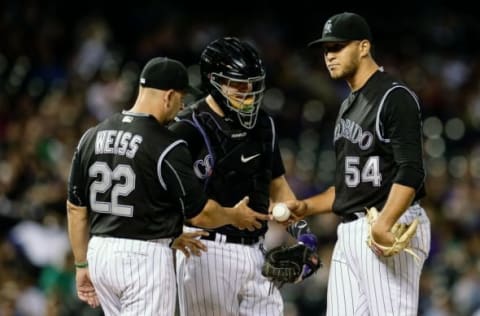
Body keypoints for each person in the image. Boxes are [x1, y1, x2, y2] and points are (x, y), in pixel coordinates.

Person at [66, 56, 270, 316]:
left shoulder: (92, 135)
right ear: (168, 96)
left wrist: (81, 263)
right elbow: (201, 214)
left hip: (100, 254)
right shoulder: (165, 143)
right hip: (143, 258)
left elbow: (75, 208)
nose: (182, 105)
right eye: (181, 97)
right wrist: (234, 215)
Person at [287, 12, 432, 315]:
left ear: (364, 47)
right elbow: (348, 188)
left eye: (338, 47)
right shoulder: (348, 106)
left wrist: (384, 223)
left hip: (389, 223)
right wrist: (305, 207)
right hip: (351, 232)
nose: (329, 56)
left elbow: (412, 170)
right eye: (326, 50)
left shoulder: (394, 96)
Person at [168, 37, 309, 316]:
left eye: (253, 86)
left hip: (258, 250)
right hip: (206, 251)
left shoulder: (264, 124)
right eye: (239, 86)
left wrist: (303, 234)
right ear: (213, 81)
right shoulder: (188, 127)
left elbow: (278, 185)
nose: (249, 94)